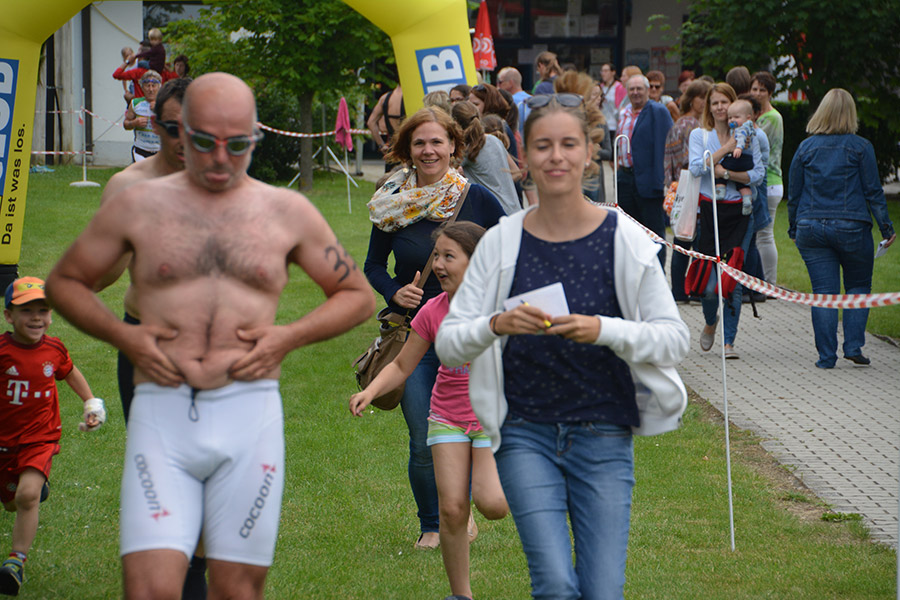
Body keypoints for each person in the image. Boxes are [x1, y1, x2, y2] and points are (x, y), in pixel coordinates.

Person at [45, 72, 375, 599]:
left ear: (256, 137)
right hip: (163, 409)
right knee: (149, 590)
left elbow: (356, 296)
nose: (221, 158)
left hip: (249, 411)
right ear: (180, 132)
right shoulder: (138, 203)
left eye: (238, 145)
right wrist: (126, 338)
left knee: (237, 590)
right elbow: (65, 281)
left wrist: (286, 337)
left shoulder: (286, 211)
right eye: (204, 142)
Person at [435, 94, 689, 600]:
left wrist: (603, 329)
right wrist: (496, 323)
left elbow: (674, 338)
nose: (556, 156)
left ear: (589, 153)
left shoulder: (624, 238)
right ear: (524, 156)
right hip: (524, 432)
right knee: (552, 583)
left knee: (602, 590)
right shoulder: (501, 241)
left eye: (569, 144)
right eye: (543, 145)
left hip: (603, 433)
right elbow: (448, 344)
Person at [364, 107, 504, 551]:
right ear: (408, 149)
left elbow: (509, 254)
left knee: (475, 430)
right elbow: (373, 264)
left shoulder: (478, 199)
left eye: (437, 142)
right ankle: (433, 523)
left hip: (474, 335)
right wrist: (394, 292)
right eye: (419, 143)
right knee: (424, 436)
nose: (428, 151)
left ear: (453, 147)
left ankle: (463, 506)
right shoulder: (390, 202)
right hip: (417, 333)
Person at [91, 77, 209, 599]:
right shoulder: (128, 187)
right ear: (154, 126)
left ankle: (194, 576)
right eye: (173, 127)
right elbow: (100, 274)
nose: (185, 140)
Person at [351, 222, 508, 600]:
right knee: (451, 511)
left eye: (448, 256)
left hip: (489, 419)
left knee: (492, 505)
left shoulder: (502, 309)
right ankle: (461, 594)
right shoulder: (433, 311)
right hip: (447, 418)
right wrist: (370, 391)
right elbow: (402, 365)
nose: (437, 264)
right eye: (437, 255)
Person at [0, 277, 106, 597]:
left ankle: (15, 562)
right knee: (12, 503)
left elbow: (70, 372)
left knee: (27, 496)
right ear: (8, 316)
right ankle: (33, 488)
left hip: (40, 438)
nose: (36, 318)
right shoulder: (2, 351)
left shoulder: (54, 349)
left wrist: (91, 404)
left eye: (43, 310)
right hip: (4, 440)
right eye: (26, 310)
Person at [788, 88, 896, 368]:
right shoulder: (861, 147)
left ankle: (826, 357)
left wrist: (793, 228)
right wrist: (886, 228)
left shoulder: (805, 148)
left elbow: (794, 193)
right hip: (852, 226)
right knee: (858, 286)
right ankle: (853, 346)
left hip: (811, 226)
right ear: (851, 114)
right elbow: (873, 191)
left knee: (824, 292)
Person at [688, 83, 764, 359]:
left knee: (733, 279)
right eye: (715, 103)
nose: (720, 108)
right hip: (710, 211)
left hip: (740, 212)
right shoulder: (700, 135)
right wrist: (726, 150)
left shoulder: (751, 134)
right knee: (709, 285)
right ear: (709, 107)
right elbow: (696, 168)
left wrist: (727, 174)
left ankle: (729, 342)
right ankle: (711, 321)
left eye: (725, 102)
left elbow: (758, 174)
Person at [615, 74, 674, 269]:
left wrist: (664, 179)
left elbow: (668, 144)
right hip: (625, 178)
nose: (635, 93)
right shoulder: (623, 112)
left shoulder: (658, 111)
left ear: (648, 90)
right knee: (629, 231)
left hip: (649, 181)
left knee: (653, 232)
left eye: (639, 88)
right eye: (631, 89)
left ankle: (657, 274)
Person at [664, 79, 712, 302]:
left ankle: (678, 291)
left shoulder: (678, 123)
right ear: (692, 99)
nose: (705, 102)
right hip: (692, 186)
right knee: (696, 241)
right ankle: (694, 288)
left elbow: (668, 160)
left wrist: (671, 184)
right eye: (702, 97)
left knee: (680, 239)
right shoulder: (693, 125)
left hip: (678, 186)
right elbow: (689, 161)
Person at [451, 101, 521, 215]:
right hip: (515, 210)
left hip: (495, 215)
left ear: (455, 124)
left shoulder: (467, 150)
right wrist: (499, 182)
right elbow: (516, 172)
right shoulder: (494, 140)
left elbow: (444, 175)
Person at [554, 71, 610, 204]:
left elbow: (608, 152)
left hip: (593, 176)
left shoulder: (601, 122)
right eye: (594, 94)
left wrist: (594, 151)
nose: (597, 98)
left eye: (599, 95)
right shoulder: (560, 119)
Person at [750, 71, 784, 283]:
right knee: (759, 235)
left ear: (770, 93)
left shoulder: (771, 118)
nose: (757, 93)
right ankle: (760, 280)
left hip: (770, 181)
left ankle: (769, 282)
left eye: (762, 90)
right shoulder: (759, 116)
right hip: (763, 182)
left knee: (764, 235)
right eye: (754, 89)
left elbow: (753, 143)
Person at [718, 99, 757, 215]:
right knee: (741, 183)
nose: (732, 120)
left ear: (748, 118)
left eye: (736, 117)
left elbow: (741, 138)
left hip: (740, 157)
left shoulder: (742, 128)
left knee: (721, 166)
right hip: (748, 160)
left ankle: (720, 189)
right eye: (730, 118)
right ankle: (747, 199)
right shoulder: (750, 127)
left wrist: (738, 148)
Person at [123, 70, 162, 162]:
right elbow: (126, 124)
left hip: (161, 152)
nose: (151, 89)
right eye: (147, 86)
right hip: (140, 150)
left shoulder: (165, 103)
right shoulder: (135, 103)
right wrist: (134, 123)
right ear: (142, 87)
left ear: (159, 87)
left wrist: (159, 110)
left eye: (153, 86)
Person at [367, 84, 405, 173]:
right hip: (407, 149)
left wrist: (381, 145)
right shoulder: (411, 98)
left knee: (390, 179)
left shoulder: (385, 98)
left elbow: (371, 122)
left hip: (392, 149)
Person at [497, 67, 531, 136]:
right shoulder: (532, 99)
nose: (498, 86)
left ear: (510, 83)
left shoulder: (507, 102)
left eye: (500, 82)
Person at [599, 63, 626, 142]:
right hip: (603, 122)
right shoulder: (600, 87)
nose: (603, 73)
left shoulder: (619, 87)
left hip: (614, 123)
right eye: (602, 71)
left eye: (606, 71)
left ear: (613, 72)